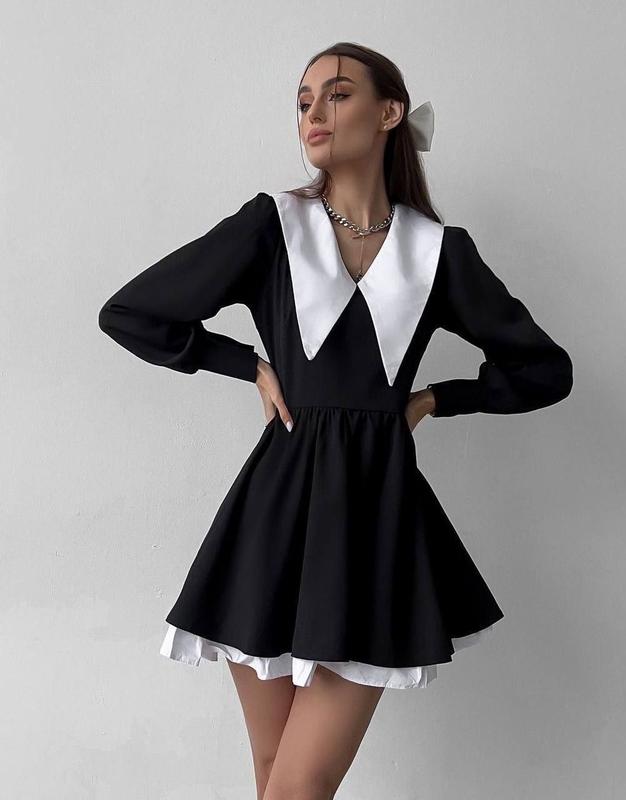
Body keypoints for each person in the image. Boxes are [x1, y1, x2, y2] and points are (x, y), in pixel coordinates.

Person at [98, 42, 573, 800]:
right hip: (271, 518)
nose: (314, 113)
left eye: (338, 94)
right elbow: (131, 312)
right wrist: (248, 365)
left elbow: (545, 369)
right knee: (274, 778)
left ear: (390, 113)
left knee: (297, 786)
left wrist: (435, 398)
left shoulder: (436, 252)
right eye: (303, 100)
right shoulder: (272, 225)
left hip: (376, 523)